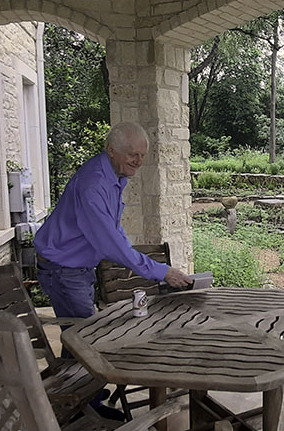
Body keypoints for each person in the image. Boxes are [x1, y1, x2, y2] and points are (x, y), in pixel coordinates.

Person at [34, 122, 192, 320]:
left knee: (82, 335)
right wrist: (161, 271)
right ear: (111, 150)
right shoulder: (93, 185)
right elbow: (110, 244)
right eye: (133, 154)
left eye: (142, 155)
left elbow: (114, 231)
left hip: (74, 269)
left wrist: (139, 258)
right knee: (84, 336)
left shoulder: (112, 177)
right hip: (63, 270)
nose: (139, 161)